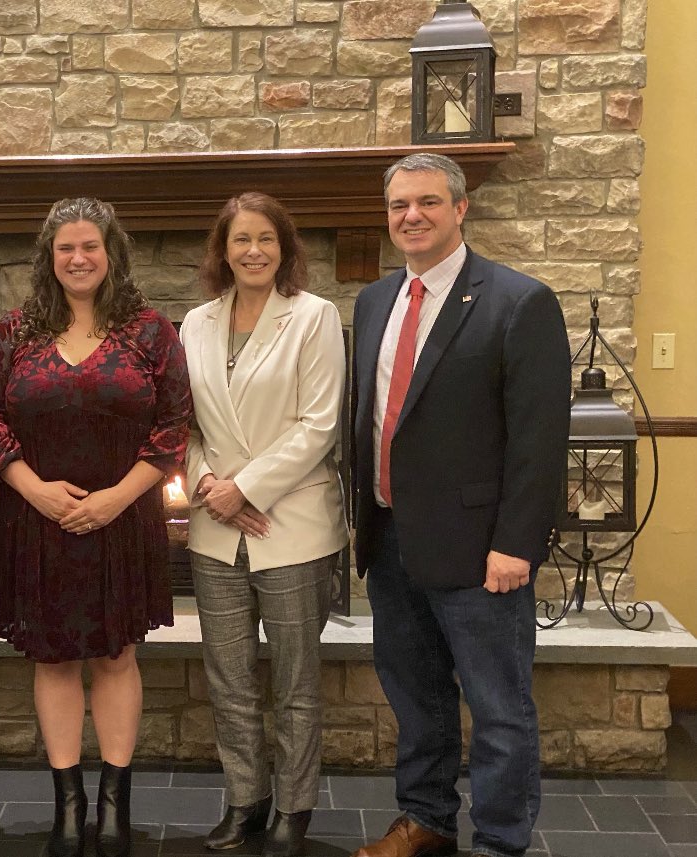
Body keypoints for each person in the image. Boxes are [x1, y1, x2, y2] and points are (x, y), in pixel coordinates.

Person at [350, 153, 570, 857]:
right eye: (398, 206)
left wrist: (517, 544)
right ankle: (426, 820)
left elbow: (540, 441)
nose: (411, 216)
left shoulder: (518, 300)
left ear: (460, 208)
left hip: (481, 553)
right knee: (417, 700)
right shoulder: (375, 300)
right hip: (390, 540)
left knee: (499, 710)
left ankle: (501, 841)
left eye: (427, 202)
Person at [0, 198, 191, 857]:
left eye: (90, 246)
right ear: (49, 256)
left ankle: (114, 803)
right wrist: (33, 488)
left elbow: (174, 426)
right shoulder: (15, 332)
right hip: (37, 524)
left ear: (110, 252)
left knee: (117, 653)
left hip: (122, 522)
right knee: (55, 657)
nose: (78, 257)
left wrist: (116, 499)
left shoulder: (151, 332)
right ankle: (68, 804)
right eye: (65, 247)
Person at [180, 192, 348, 857]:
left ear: (285, 249)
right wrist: (208, 486)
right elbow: (180, 424)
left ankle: (294, 806)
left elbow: (321, 424)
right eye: (240, 239)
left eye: (265, 240)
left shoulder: (314, 317)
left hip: (293, 526)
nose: (252, 251)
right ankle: (244, 798)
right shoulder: (194, 322)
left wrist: (244, 488)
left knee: (297, 683)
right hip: (215, 530)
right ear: (223, 249)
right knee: (229, 679)